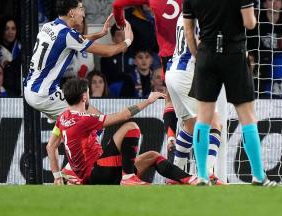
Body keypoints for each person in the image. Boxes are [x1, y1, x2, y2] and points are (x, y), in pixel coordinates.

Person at [182, 0, 276, 187]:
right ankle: (258, 176)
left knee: (203, 116)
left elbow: (189, 30)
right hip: (234, 53)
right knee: (247, 116)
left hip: (207, 53)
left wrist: (196, 53)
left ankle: (201, 175)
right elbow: (250, 23)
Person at [46, 77, 193, 185]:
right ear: (84, 96)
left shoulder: (62, 117)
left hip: (101, 172)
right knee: (130, 127)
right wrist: (148, 101)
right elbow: (124, 116)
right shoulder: (84, 119)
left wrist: (57, 175)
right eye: (88, 92)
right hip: (98, 173)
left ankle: (192, 179)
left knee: (153, 156)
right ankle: (128, 177)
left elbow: (50, 146)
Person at [112, 0, 191, 150]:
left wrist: (121, 23)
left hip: (168, 56)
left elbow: (117, 4)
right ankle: (204, 163)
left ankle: (171, 135)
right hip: (190, 52)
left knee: (170, 98)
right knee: (200, 107)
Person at [23, 0, 133, 121]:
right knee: (96, 119)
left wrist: (100, 34)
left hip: (30, 89)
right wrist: (127, 41)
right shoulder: (68, 35)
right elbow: (107, 52)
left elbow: (76, 40)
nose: (83, 14)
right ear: (71, 12)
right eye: (81, 9)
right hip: (44, 95)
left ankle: (58, 139)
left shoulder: (49, 26)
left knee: (66, 124)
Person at [165, 15, 225, 185]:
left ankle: (175, 175)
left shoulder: (187, 10)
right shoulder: (204, 11)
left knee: (190, 126)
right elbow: (201, 46)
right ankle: (207, 173)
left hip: (173, 73)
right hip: (187, 74)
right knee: (214, 121)